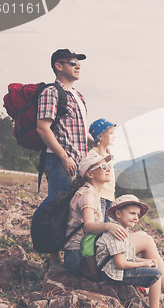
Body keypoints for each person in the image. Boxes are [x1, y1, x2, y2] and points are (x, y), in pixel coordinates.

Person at [63, 154, 164, 305]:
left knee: (143, 235)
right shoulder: (87, 194)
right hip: (79, 257)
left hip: (86, 252)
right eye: (103, 167)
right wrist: (109, 226)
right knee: (145, 240)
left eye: (108, 166)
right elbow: (88, 226)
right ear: (90, 174)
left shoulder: (91, 193)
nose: (108, 169)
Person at [36, 48, 93, 267]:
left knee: (74, 210)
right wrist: (64, 157)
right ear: (58, 66)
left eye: (78, 62)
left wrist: (95, 144)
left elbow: (79, 131)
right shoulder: (51, 92)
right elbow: (43, 128)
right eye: (72, 62)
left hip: (78, 163)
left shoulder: (78, 96)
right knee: (59, 209)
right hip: (61, 161)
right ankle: (54, 260)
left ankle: (73, 254)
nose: (77, 65)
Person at [96, 195, 163, 308]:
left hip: (115, 270)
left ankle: (149, 299)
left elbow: (128, 256)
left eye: (137, 215)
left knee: (151, 267)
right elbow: (120, 263)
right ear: (118, 214)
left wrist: (146, 261)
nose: (136, 218)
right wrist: (143, 263)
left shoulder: (124, 231)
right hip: (113, 274)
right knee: (156, 274)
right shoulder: (117, 234)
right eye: (132, 213)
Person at [88, 118, 117, 222]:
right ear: (100, 136)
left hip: (109, 196)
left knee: (108, 224)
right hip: (100, 196)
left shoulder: (108, 154)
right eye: (110, 133)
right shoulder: (94, 154)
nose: (114, 136)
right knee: (101, 224)